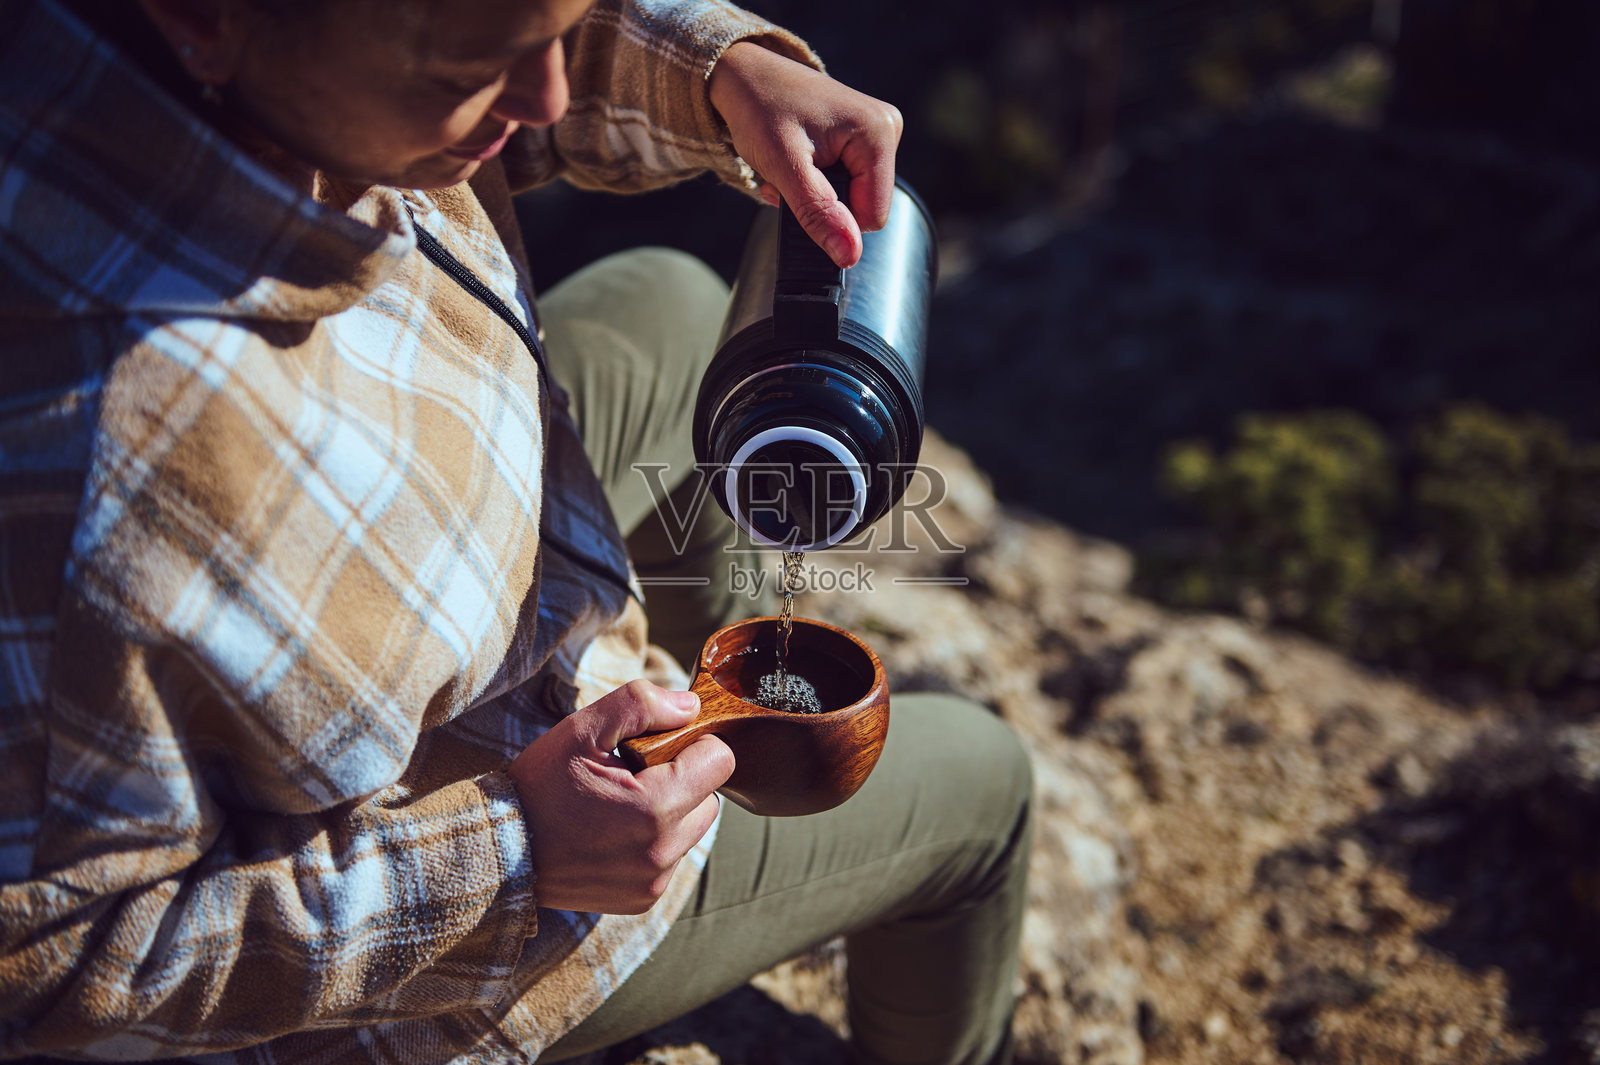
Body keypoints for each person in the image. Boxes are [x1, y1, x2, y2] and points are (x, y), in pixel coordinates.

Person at [0, 1, 1034, 1063]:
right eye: (473, 65)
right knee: (985, 788)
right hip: (426, 914)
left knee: (672, 299)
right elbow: (45, 964)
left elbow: (526, 54)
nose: (544, 96)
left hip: (439, 517)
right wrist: (515, 855)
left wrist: (714, 72)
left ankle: (715, 698)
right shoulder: (83, 465)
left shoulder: (243, 59)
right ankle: (681, 803)